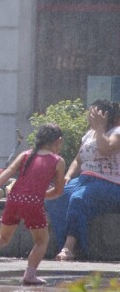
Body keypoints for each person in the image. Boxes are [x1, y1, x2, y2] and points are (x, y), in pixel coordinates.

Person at [0, 124, 65, 285]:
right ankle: (29, 274)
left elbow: (7, 172)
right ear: (58, 141)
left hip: (13, 199)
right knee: (42, 241)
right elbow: (58, 191)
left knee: (3, 237)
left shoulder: (26, 155)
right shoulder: (58, 161)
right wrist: (39, 195)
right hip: (33, 203)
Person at [46, 99, 120, 261]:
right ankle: (61, 242)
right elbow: (78, 160)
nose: (90, 117)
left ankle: (70, 247)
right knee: (54, 196)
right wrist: (66, 177)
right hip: (84, 179)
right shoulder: (89, 134)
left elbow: (106, 149)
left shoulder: (117, 132)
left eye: (94, 113)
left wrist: (100, 128)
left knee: (78, 199)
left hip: (110, 183)